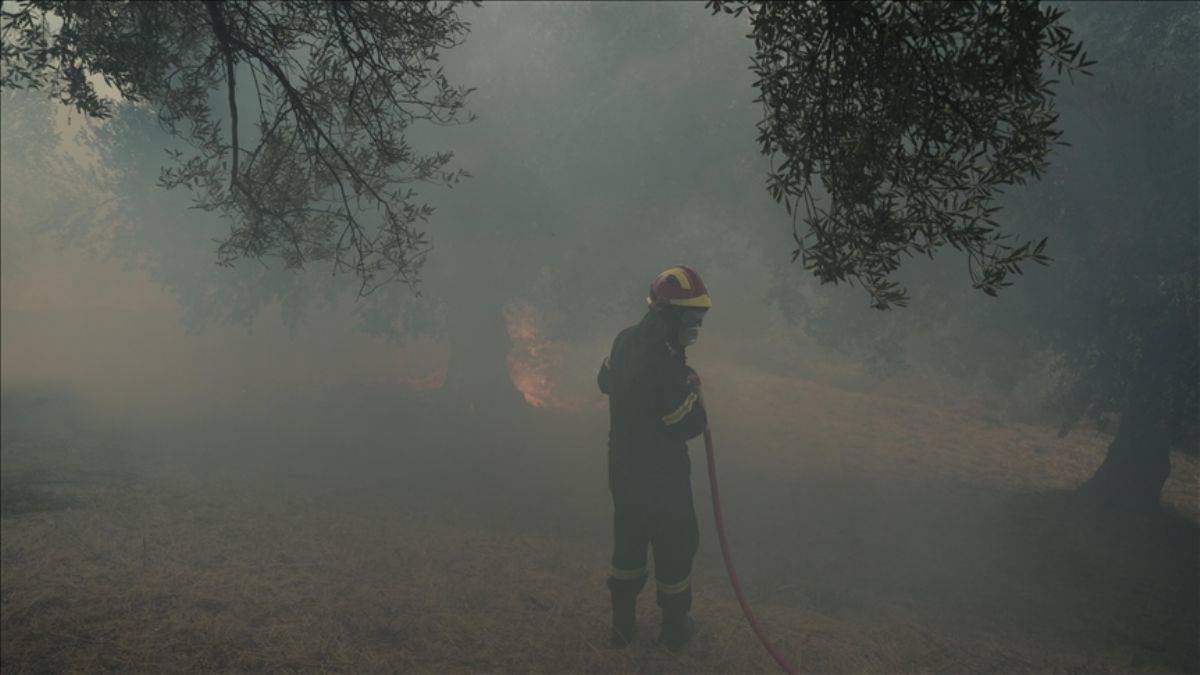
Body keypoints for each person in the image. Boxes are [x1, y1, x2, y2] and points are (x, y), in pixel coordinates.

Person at [596, 265, 711, 651]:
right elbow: (686, 423)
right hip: (663, 476)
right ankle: (675, 630)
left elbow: (605, 381)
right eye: (691, 318)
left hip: (623, 469)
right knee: (675, 546)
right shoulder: (664, 363)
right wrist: (692, 391)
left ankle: (622, 627)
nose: (696, 326)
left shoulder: (625, 340)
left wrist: (679, 374)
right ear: (667, 315)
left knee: (628, 542)